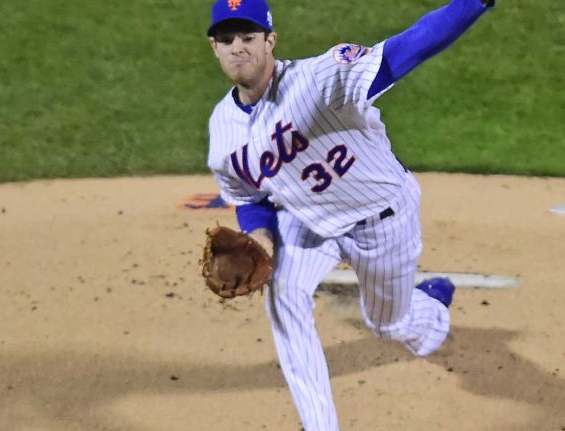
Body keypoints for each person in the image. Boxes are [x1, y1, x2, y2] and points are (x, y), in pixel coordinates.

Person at [204, 0, 495, 429]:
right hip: (307, 221)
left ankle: (430, 311)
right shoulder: (221, 129)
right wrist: (261, 237)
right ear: (214, 47)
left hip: (380, 219)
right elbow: (248, 196)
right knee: (283, 295)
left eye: (248, 37)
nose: (237, 48)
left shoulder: (320, 79)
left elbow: (405, 50)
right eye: (227, 39)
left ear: (270, 41)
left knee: (388, 324)